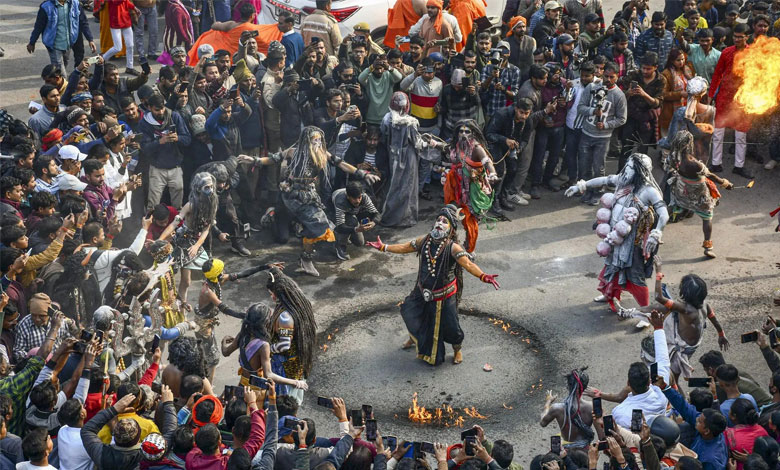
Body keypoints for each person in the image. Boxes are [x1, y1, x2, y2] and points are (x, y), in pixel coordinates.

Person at [366, 204, 500, 366]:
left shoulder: (453, 247)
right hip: (422, 292)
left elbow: (468, 265)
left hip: (445, 296)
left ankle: (457, 349)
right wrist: (383, 247)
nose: (440, 223)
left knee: (451, 327)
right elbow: (405, 247)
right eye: (438, 220)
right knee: (409, 311)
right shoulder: (425, 241)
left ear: (451, 229)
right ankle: (414, 338)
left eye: (444, 221)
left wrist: (484, 276)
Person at [251, 127, 379, 276]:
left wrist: (362, 174)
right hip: (289, 197)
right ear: (306, 141)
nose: (317, 143)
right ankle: (273, 215)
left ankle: (305, 258)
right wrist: (255, 160)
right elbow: (274, 159)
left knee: (320, 226)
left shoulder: (322, 154)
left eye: (319, 140)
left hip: (308, 197)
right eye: (314, 140)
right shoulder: (294, 152)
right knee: (283, 237)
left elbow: (342, 164)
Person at [565, 153, 668, 319]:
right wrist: (581, 186)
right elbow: (605, 180)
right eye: (626, 166)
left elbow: (663, 213)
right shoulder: (622, 180)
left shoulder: (649, 191)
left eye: (631, 168)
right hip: (614, 236)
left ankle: (647, 314)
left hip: (633, 242)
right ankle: (609, 295)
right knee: (611, 266)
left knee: (635, 276)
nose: (626, 171)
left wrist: (657, 232)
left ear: (641, 172)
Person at [433, 120, 498, 252]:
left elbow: (487, 162)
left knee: (470, 221)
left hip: (472, 191)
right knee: (448, 215)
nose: (463, 134)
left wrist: (492, 174)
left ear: (473, 133)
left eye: (467, 131)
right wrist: (431, 143)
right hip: (455, 187)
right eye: (461, 131)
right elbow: (446, 148)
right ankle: (447, 245)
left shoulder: (477, 148)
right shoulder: (455, 145)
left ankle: (469, 249)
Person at [159, 172, 217, 310]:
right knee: (183, 281)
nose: (211, 190)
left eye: (211, 186)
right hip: (183, 241)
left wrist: (197, 245)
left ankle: (208, 305)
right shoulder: (190, 205)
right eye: (206, 187)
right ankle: (179, 306)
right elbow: (174, 224)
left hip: (196, 242)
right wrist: (160, 240)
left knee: (210, 273)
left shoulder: (212, 204)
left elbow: (206, 229)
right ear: (198, 188)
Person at [573, 62, 627, 205]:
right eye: (606, 76)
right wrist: (592, 111)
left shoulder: (619, 96)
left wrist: (606, 125)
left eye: (611, 77)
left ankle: (598, 192)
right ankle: (585, 190)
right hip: (586, 134)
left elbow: (622, 118)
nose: (608, 79)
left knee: (599, 167)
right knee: (584, 165)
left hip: (603, 138)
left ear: (617, 77)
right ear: (602, 74)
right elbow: (580, 107)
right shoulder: (592, 87)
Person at [263, 266, 317, 402]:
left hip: (285, 368)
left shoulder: (285, 317)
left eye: (272, 293)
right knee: (292, 402)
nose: (272, 297)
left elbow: (285, 345)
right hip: (296, 364)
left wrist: (268, 349)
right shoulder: (298, 305)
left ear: (280, 294)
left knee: (285, 402)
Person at [708, 23, 753, 179]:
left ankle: (739, 166)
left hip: (743, 100)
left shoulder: (752, 54)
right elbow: (717, 75)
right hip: (724, 99)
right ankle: (715, 163)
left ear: (747, 37)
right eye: (735, 36)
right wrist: (711, 94)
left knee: (741, 135)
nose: (737, 39)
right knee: (718, 133)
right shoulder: (726, 52)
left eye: (740, 37)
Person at [379, 92, 426, 228]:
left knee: (394, 186)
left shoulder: (386, 119)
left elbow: (384, 135)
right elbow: (417, 143)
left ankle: (390, 217)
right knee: (408, 186)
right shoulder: (411, 122)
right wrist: (428, 144)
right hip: (408, 156)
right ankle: (406, 218)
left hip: (392, 155)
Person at [27, 0, 96, 72]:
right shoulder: (46, 7)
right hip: (54, 45)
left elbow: (83, 23)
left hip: (68, 43)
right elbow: (39, 26)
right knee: (60, 73)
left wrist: (90, 39)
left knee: (65, 62)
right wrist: (32, 42)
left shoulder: (75, 4)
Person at [540, 368, 595, 450]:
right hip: (585, 451)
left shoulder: (557, 408)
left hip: (566, 452)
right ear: (585, 387)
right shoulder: (592, 407)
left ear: (567, 386)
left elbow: (543, 423)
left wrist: (548, 402)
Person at [331, 182, 381, 261]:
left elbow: (376, 213)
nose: (357, 201)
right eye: (354, 198)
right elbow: (340, 226)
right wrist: (356, 229)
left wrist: (373, 222)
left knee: (360, 242)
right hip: (333, 209)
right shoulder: (341, 202)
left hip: (352, 211)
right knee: (350, 223)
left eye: (359, 197)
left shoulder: (364, 197)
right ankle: (340, 245)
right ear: (348, 197)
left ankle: (347, 235)